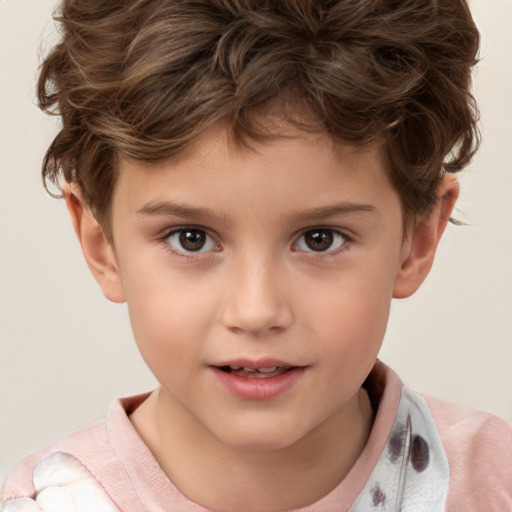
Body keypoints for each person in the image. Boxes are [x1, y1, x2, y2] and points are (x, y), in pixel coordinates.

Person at [1, 0, 511, 510]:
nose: (256, 310)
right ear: (101, 243)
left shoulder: (494, 483)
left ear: (418, 238)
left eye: (320, 239)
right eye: (191, 238)